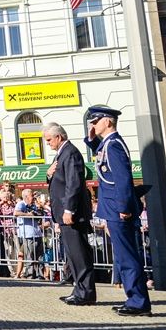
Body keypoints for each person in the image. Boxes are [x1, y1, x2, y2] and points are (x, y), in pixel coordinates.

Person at [84, 105, 151, 316]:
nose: (93, 125)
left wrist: (123, 206)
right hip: (112, 207)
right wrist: (91, 139)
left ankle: (139, 302)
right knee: (123, 256)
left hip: (118, 208)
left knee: (127, 256)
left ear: (108, 121)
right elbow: (102, 159)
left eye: (96, 121)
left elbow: (122, 178)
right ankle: (134, 298)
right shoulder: (108, 144)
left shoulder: (113, 145)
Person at [44, 122, 95, 305]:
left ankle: (85, 293)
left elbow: (73, 183)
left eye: (49, 139)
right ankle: (79, 289)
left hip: (72, 214)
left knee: (79, 254)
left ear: (59, 137)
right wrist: (48, 175)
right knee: (73, 255)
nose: (47, 143)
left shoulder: (70, 152)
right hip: (64, 214)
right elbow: (58, 179)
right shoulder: (62, 153)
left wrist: (69, 209)